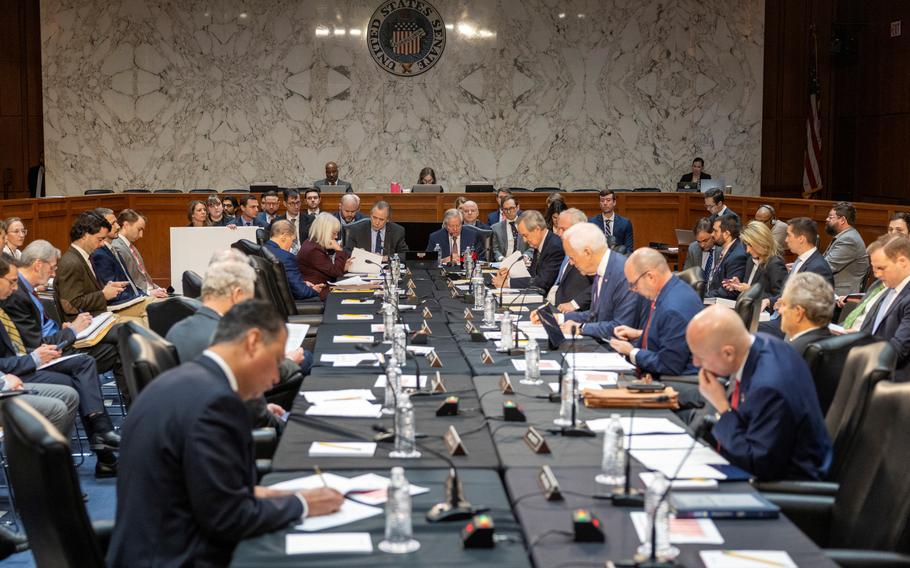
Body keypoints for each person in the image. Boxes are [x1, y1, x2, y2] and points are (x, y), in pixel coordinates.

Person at [109, 301, 344, 567]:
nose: (276, 377)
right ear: (253, 342)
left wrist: (270, 495)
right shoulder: (216, 403)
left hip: (155, 546)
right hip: (184, 556)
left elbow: (208, 490)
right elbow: (229, 518)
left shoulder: (182, 380)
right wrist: (302, 504)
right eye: (277, 360)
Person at [0, 254, 121, 477]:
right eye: (11, 281)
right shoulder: (14, 299)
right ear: (39, 264)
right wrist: (69, 333)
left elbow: (19, 346)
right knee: (77, 378)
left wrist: (38, 352)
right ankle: (60, 469)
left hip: (27, 362)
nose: (15, 287)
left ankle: (94, 451)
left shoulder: (12, 299)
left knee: (90, 364)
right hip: (16, 373)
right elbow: (28, 346)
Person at [687, 305, 832, 481]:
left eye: (700, 356)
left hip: (785, 484)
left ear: (728, 353)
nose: (695, 363)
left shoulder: (768, 387)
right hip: (764, 461)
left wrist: (722, 407)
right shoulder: (761, 343)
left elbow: (757, 464)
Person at [165, 259, 310, 428]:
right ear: (237, 294)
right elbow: (259, 418)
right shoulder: (230, 342)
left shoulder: (175, 330)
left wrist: (264, 408)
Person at [11, 238, 130, 403]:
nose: (53, 274)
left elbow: (39, 328)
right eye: (52, 268)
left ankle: (123, 413)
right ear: (38, 265)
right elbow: (36, 342)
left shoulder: (27, 290)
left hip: (58, 342)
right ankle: (107, 420)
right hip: (49, 353)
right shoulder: (17, 295)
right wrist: (71, 330)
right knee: (119, 344)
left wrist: (64, 329)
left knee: (121, 339)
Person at [609, 248, 703, 379]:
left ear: (651, 277)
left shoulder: (672, 308)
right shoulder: (673, 290)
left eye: (634, 284)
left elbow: (669, 365)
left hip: (676, 382)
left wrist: (631, 352)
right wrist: (638, 333)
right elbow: (674, 335)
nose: (633, 290)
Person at [560, 223, 644, 339]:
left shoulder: (624, 273)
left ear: (587, 252)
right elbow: (595, 314)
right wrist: (560, 318)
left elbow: (622, 327)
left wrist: (581, 328)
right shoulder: (602, 268)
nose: (571, 263)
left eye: (572, 257)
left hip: (617, 351)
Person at [55, 212, 128, 319]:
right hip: (87, 324)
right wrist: (103, 295)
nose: (103, 244)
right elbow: (71, 305)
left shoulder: (85, 257)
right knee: (138, 326)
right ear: (85, 235)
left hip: (98, 317)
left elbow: (87, 292)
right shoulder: (71, 263)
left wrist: (107, 288)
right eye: (100, 239)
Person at [861, 234, 910, 381]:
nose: (877, 275)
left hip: (896, 382)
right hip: (878, 369)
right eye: (875, 269)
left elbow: (899, 348)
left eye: (881, 268)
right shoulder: (891, 287)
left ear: (902, 262)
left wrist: (858, 353)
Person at [537, 208, 593, 313]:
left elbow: (601, 284)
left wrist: (574, 303)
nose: (558, 233)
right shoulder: (568, 247)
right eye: (558, 228)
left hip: (576, 314)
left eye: (563, 229)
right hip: (555, 308)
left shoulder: (590, 251)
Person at [492, 210, 563, 291]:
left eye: (525, 235)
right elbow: (533, 276)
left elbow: (543, 282)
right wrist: (510, 274)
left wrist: (508, 283)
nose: (524, 240)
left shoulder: (555, 246)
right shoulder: (541, 242)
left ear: (537, 229)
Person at [90, 208, 146, 306]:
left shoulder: (111, 250)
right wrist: (141, 299)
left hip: (133, 300)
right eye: (113, 223)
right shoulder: (100, 254)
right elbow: (115, 294)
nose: (117, 226)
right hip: (121, 305)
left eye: (116, 222)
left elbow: (130, 284)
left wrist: (144, 296)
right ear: (100, 227)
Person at [722, 221, 787, 301]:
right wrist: (739, 286)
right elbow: (748, 288)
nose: (748, 250)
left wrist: (750, 290)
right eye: (746, 245)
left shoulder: (775, 264)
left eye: (750, 245)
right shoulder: (750, 260)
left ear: (761, 242)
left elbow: (779, 298)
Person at [111, 209, 169, 299]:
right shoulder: (117, 247)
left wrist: (158, 289)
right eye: (139, 229)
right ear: (126, 225)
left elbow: (143, 277)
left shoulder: (130, 246)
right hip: (139, 297)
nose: (141, 235)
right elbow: (127, 281)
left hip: (148, 293)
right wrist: (149, 293)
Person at [297, 213, 352, 300]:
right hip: (318, 291)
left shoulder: (313, 243)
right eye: (334, 233)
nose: (336, 237)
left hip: (324, 285)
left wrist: (343, 267)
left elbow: (330, 269)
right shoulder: (313, 250)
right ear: (324, 232)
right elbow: (335, 272)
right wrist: (339, 250)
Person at [779, 272, 835, 356]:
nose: (780, 310)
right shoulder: (837, 344)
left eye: (784, 305)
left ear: (798, 312)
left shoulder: (788, 354)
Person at [265, 221, 321, 301]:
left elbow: (279, 281)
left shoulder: (262, 249)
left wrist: (302, 284)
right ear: (285, 236)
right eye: (292, 240)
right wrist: (314, 290)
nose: (292, 245)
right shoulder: (286, 257)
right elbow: (301, 292)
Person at [823, 202, 870, 296]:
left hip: (841, 295)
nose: (826, 219)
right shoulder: (845, 236)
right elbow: (822, 261)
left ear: (842, 220)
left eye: (831, 217)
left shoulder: (848, 240)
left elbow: (826, 266)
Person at [704, 215, 747, 300]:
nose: (712, 234)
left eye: (715, 231)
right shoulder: (728, 248)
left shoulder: (737, 256)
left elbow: (728, 291)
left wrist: (704, 297)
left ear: (726, 234)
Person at [491, 196, 529, 261]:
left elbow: (533, 247)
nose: (508, 212)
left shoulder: (528, 225)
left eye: (511, 208)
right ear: (502, 210)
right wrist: (501, 258)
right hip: (504, 262)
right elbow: (495, 249)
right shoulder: (495, 228)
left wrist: (525, 256)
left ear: (517, 207)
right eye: (505, 209)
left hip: (523, 262)